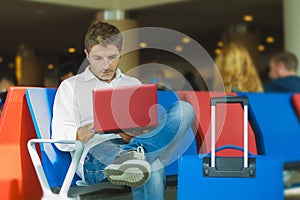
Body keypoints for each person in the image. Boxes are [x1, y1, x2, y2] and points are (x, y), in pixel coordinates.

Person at [51, 20, 194, 200]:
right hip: (95, 155)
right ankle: (134, 158)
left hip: (133, 145)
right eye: (98, 58)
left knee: (184, 110)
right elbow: (61, 139)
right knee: (152, 166)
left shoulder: (132, 84)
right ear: (87, 55)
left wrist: (132, 135)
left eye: (112, 57)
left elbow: (144, 128)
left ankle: (133, 155)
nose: (106, 65)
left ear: (121, 53)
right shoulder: (70, 87)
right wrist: (99, 124)